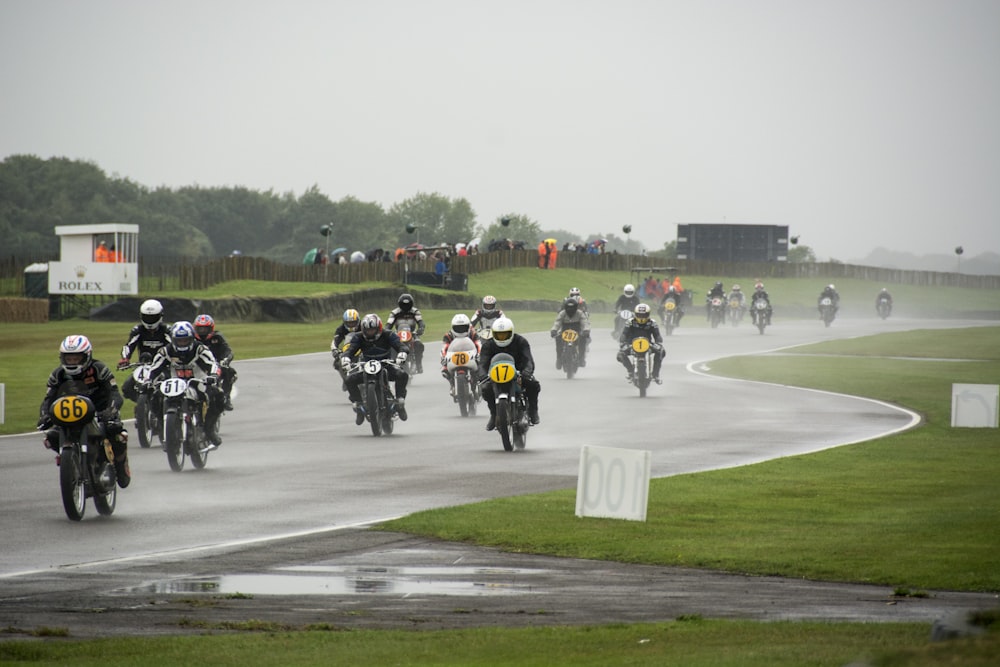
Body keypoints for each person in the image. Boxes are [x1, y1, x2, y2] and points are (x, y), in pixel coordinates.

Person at [38, 335, 131, 488]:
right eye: (69, 359)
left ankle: (121, 466)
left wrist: (111, 411)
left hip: (100, 412)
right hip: (69, 414)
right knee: (51, 437)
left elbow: (115, 393)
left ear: (87, 356)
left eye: (76, 359)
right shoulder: (58, 375)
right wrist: (44, 416)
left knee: (116, 432)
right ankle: (71, 460)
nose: (72, 362)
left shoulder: (99, 369)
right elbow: (48, 399)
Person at [146, 321, 225, 448]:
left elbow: (213, 363)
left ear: (192, 338)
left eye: (185, 340)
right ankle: (162, 426)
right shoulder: (165, 351)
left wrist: (213, 375)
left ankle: (209, 429)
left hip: (198, 382)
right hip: (174, 383)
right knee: (155, 396)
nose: (182, 343)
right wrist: (147, 381)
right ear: (173, 340)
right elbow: (153, 368)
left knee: (218, 395)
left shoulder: (200, 349)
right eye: (179, 340)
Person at [341, 313, 409, 423]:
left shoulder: (388, 334)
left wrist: (402, 353)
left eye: (372, 330)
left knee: (403, 375)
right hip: (366, 367)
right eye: (367, 330)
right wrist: (345, 358)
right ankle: (358, 406)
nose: (370, 332)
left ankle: (400, 402)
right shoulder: (358, 337)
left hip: (386, 365)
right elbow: (350, 350)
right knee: (349, 380)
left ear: (378, 328)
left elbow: (401, 345)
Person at [478, 316, 540, 429]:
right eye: (498, 335)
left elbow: (528, 359)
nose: (502, 338)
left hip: (518, 373)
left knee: (533, 384)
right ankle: (494, 414)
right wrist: (482, 375)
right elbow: (482, 363)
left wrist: (527, 371)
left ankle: (533, 411)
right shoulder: (488, 345)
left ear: (511, 332)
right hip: (495, 375)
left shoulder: (521, 341)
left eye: (505, 334)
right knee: (486, 389)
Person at [118, 299, 171, 403]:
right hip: (143, 365)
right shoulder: (138, 330)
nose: (150, 320)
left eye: (153, 317)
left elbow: (173, 346)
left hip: (164, 366)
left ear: (160, 316)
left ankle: (166, 405)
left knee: (168, 387)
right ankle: (142, 406)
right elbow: (129, 345)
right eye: (147, 317)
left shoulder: (167, 330)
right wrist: (125, 358)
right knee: (127, 388)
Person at [193, 314, 237, 411]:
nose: (202, 332)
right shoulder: (191, 339)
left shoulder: (217, 337)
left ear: (211, 328)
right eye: (200, 329)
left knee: (230, 372)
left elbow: (227, 351)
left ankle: (226, 397)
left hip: (215, 365)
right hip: (196, 366)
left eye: (205, 329)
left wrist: (225, 360)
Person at [617, 303, 664, 384]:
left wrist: (659, 342)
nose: (642, 317)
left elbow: (657, 335)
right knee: (620, 355)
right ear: (635, 314)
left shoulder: (653, 322)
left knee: (661, 352)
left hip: (648, 344)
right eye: (639, 315)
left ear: (648, 314)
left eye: (644, 315)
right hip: (632, 344)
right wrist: (622, 342)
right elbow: (624, 333)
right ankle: (630, 371)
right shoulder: (630, 322)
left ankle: (655, 374)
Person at [440, 313, 480, 394]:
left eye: (463, 327)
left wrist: (479, 354)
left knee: (481, 368)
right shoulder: (448, 335)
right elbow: (444, 347)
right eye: (458, 328)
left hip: (471, 356)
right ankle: (452, 384)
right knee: (444, 369)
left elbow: (479, 344)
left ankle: (477, 384)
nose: (461, 330)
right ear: (453, 327)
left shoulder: (473, 333)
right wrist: (444, 358)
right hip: (453, 357)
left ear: (468, 326)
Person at [386, 293, 426, 373]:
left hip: (412, 333)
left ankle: (418, 364)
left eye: (407, 305)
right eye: (404, 304)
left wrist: (421, 328)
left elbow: (420, 322)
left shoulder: (415, 311)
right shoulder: (394, 312)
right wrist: (387, 331)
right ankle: (392, 364)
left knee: (419, 344)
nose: (405, 307)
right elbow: (389, 324)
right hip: (398, 333)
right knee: (391, 346)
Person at [550, 296, 591, 369]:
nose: (570, 309)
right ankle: (559, 358)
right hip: (564, 331)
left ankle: (581, 358)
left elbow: (585, 322)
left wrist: (586, 330)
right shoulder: (562, 313)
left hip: (577, 331)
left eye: (572, 308)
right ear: (565, 307)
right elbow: (557, 322)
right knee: (558, 339)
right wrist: (554, 330)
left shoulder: (580, 313)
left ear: (576, 307)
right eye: (568, 308)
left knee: (583, 339)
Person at [331, 308, 362, 391]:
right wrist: (335, 350)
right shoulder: (341, 329)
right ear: (345, 322)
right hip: (348, 349)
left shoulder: (363, 325)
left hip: (363, 347)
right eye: (349, 323)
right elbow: (335, 341)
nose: (351, 325)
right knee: (337, 362)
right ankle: (346, 379)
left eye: (353, 322)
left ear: (358, 321)